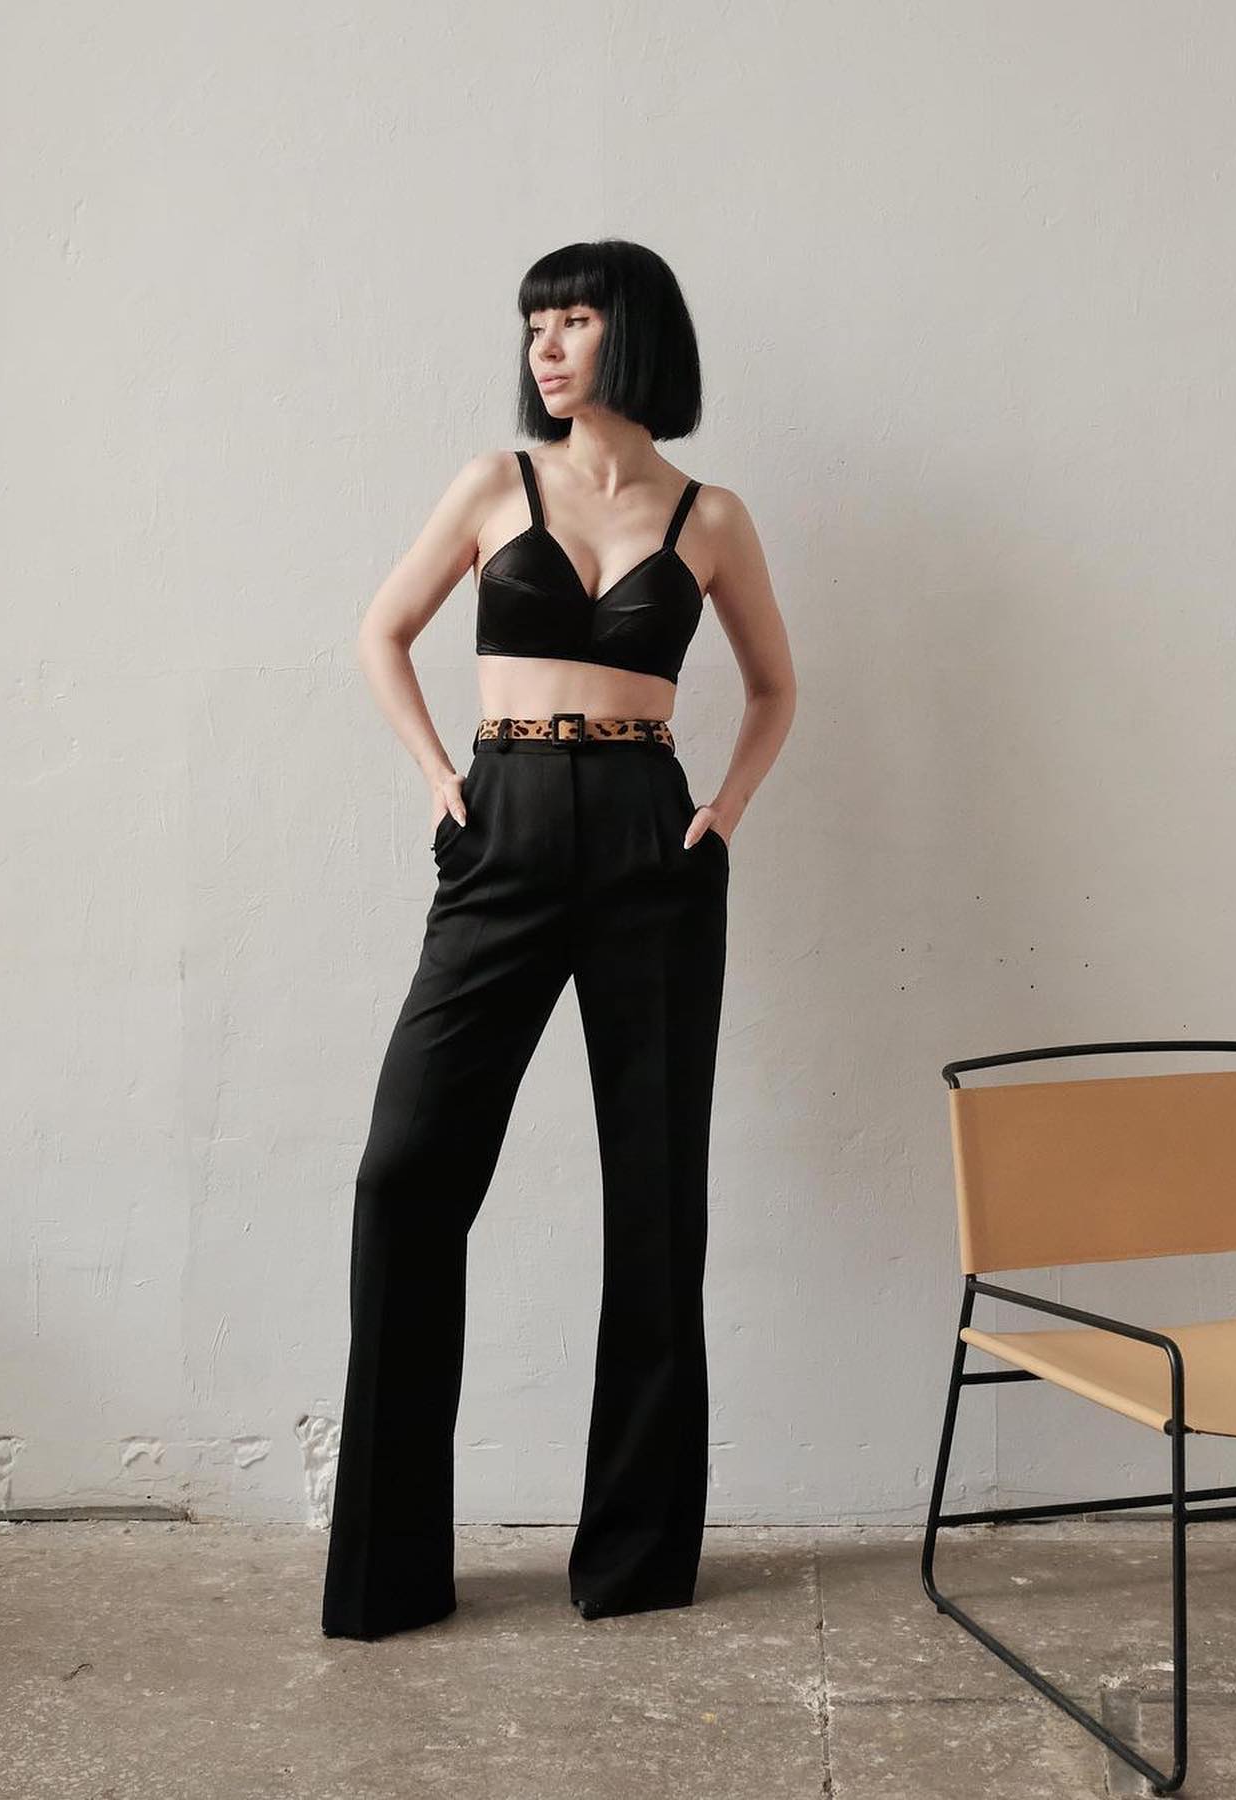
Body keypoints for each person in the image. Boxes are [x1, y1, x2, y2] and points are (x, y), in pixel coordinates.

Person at [320, 238, 797, 1639]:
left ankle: (635, 1559)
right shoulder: (493, 485)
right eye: (537, 322)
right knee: (408, 1169)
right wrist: (440, 778)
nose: (545, 344)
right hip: (506, 825)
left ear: (631, 336)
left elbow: (776, 687)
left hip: (653, 843)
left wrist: (723, 813)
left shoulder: (711, 515)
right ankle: (390, 1569)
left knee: (656, 1195)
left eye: (574, 319)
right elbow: (381, 634)